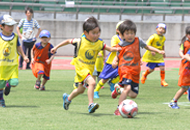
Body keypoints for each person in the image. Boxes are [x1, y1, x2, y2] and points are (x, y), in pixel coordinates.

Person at [51, 16, 121, 113]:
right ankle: (90, 104)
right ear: (86, 33)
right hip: (81, 68)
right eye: (93, 33)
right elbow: (67, 41)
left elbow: (109, 48)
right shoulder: (80, 41)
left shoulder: (99, 43)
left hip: (90, 68)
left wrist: (117, 49)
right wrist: (56, 47)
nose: (96, 35)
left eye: (98, 32)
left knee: (81, 90)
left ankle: (68, 99)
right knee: (92, 83)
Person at [111, 20, 165, 115]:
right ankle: (119, 108)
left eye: (132, 33)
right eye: (127, 33)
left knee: (133, 95)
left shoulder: (138, 41)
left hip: (135, 71)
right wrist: (115, 60)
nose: (130, 35)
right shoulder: (120, 45)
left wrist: (158, 51)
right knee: (127, 88)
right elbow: (117, 55)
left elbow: (147, 47)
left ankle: (119, 89)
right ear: (122, 34)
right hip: (125, 70)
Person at [0, 14, 29, 107]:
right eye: (8, 25)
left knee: (14, 83)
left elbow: (18, 47)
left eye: (12, 25)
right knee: (0, 85)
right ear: (1, 26)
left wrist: (24, 56)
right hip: (1, 66)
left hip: (12, 65)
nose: (11, 27)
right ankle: (1, 100)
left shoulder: (15, 36)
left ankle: (8, 84)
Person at [93, 21, 123, 99]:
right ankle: (96, 91)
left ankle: (112, 82)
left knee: (123, 75)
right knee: (105, 78)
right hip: (111, 62)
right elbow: (113, 47)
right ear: (117, 30)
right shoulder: (115, 38)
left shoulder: (128, 39)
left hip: (122, 61)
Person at [169, 26, 190, 109]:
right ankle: (173, 102)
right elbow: (181, 52)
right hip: (186, 68)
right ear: (186, 35)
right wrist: (183, 56)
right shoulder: (184, 43)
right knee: (184, 87)